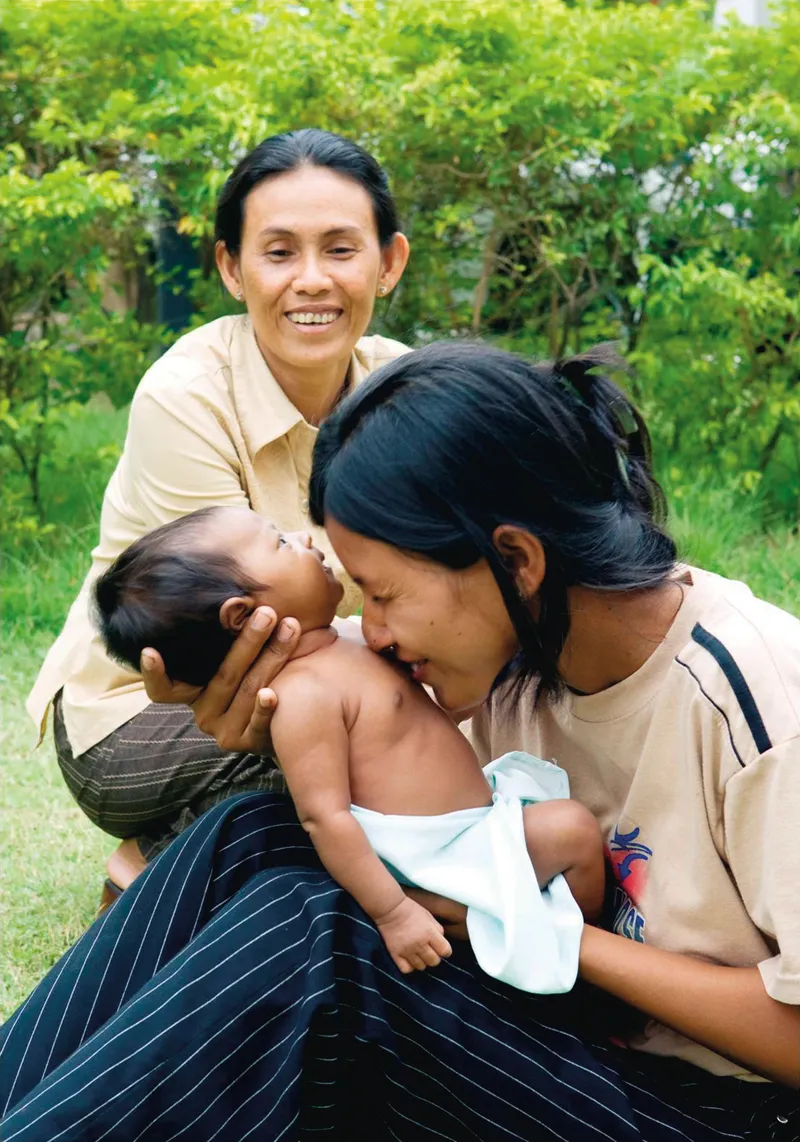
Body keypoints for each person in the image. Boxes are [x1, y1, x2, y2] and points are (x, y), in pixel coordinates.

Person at [2, 343, 798, 1140]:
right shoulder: (514, 643)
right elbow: (305, 687)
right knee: (251, 837)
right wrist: (230, 701)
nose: (370, 630)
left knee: (320, 944)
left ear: (515, 559)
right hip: (574, 1041)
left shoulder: (757, 697)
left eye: (381, 594)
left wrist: (545, 936)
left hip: (725, 1110)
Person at [25, 128, 410, 867]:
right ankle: (156, 860)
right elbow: (255, 630)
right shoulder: (186, 394)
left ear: (388, 263)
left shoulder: (402, 384)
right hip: (147, 711)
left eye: (339, 249)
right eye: (278, 252)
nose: (311, 280)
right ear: (232, 269)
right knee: (388, 735)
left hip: (315, 670)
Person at [93, 504, 603, 988]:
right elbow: (325, 816)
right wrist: (394, 911)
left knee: (561, 821)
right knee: (572, 831)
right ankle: (574, 966)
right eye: (279, 542)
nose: (303, 538)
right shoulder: (301, 695)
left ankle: (543, 938)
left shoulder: (350, 637)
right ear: (242, 615)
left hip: (469, 825)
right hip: (437, 854)